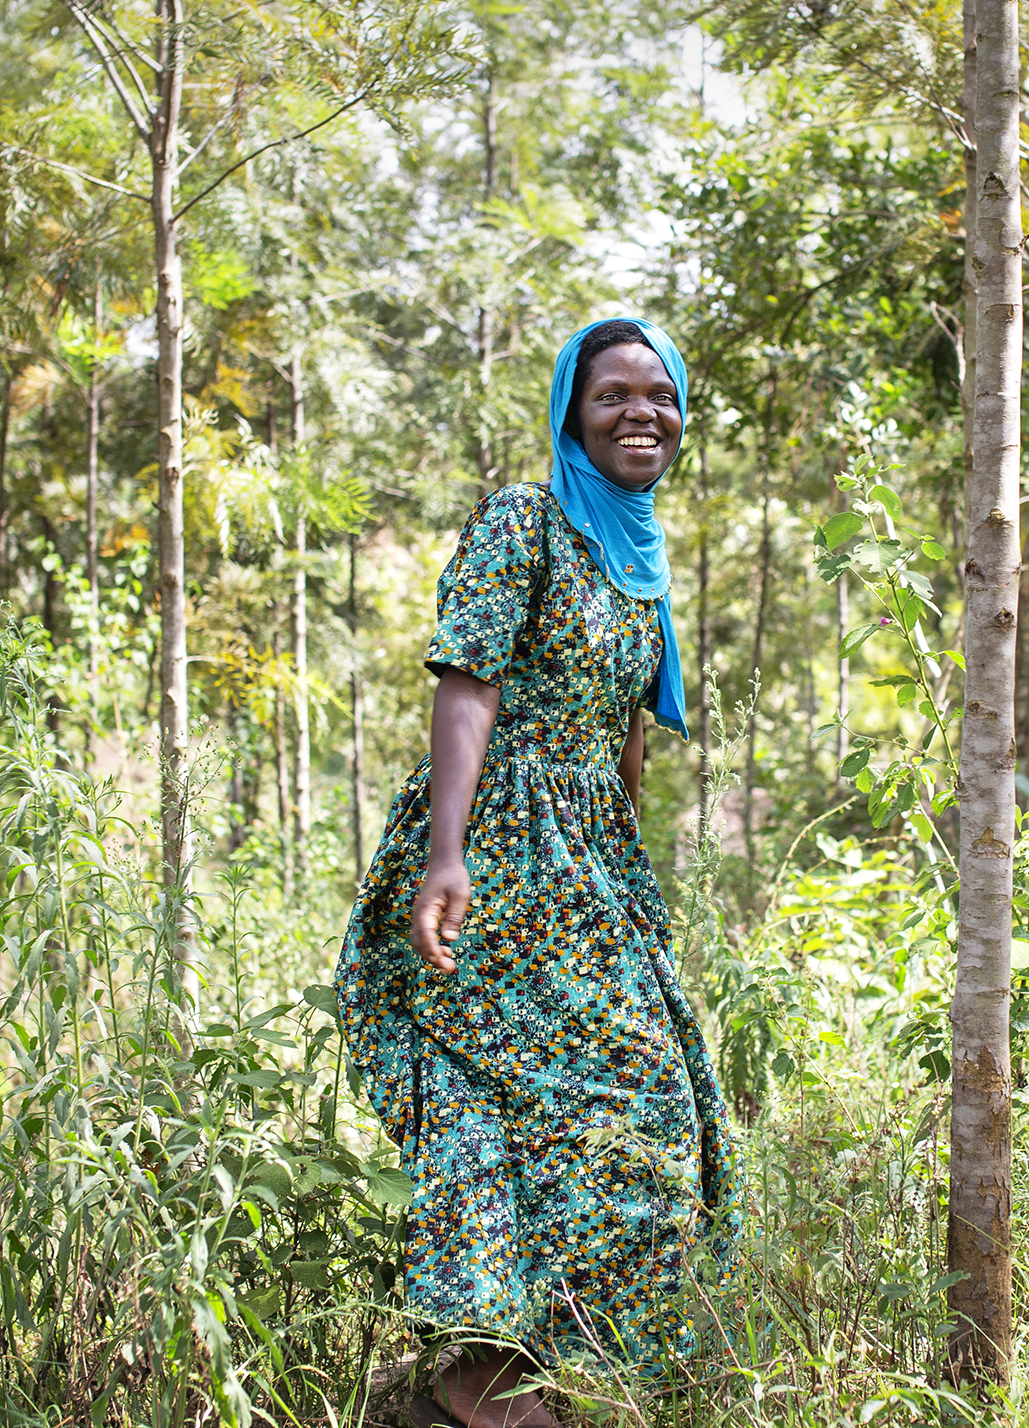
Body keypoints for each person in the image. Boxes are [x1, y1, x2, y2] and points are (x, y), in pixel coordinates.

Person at [336, 318, 740, 1428]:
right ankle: (478, 1376)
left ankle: (569, 1361)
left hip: (589, 859)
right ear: (572, 412)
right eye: (612, 394)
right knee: (497, 1093)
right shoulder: (526, 518)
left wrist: (624, 863)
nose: (640, 413)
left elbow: (626, 730)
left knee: (644, 1107)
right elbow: (468, 683)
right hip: (499, 844)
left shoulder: (638, 553)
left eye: (660, 394)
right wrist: (447, 855)